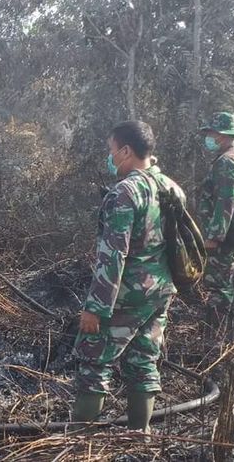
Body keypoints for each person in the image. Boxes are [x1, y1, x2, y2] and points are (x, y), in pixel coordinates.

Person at [71, 120, 185, 434]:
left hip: (126, 294)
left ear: (125, 151)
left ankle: (78, 443)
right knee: (144, 362)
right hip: (160, 291)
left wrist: (96, 308)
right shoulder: (172, 188)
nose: (110, 158)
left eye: (111, 151)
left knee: (94, 363)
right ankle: (141, 435)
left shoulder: (125, 192)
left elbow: (113, 255)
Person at [198, 112, 234, 321]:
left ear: (223, 135)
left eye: (211, 133)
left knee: (219, 283)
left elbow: (225, 200)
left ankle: (216, 331)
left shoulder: (227, 161)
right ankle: (233, 328)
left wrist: (214, 236)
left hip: (227, 231)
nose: (208, 137)